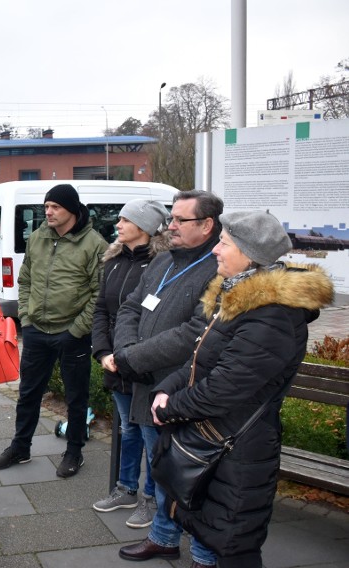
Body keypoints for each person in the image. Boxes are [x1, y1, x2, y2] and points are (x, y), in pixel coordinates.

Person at [151, 210, 333, 568]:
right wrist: (166, 388)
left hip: (239, 448)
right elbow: (200, 358)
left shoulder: (273, 313)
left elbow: (226, 385)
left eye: (225, 242)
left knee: (235, 544)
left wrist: (171, 407)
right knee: (216, 530)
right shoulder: (240, 297)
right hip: (219, 436)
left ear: (249, 254)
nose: (216, 249)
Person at [113, 190, 224, 567]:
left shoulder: (218, 269)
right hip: (146, 384)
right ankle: (163, 537)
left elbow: (195, 333)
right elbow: (130, 306)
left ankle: (205, 556)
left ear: (207, 225)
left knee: (191, 481)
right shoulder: (163, 261)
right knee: (161, 471)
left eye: (180, 220)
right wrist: (127, 352)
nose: (170, 226)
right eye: (171, 218)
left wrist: (131, 357)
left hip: (183, 394)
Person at [0, 183, 107, 478]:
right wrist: (26, 318)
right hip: (37, 330)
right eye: (46, 207)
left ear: (72, 209)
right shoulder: (38, 237)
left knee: (76, 398)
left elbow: (100, 294)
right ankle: (20, 447)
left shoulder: (94, 245)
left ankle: (74, 452)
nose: (48, 212)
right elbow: (25, 279)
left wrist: (77, 330)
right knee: (28, 393)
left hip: (72, 335)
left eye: (54, 207)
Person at [90, 199, 170, 529]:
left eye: (125, 219)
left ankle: (152, 498)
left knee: (151, 436)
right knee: (127, 429)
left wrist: (133, 356)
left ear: (145, 227)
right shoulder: (113, 261)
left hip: (145, 367)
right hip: (116, 364)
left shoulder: (164, 264)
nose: (118, 225)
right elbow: (102, 311)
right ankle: (126, 489)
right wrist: (103, 352)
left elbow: (160, 320)